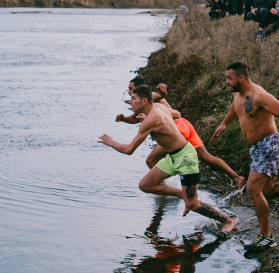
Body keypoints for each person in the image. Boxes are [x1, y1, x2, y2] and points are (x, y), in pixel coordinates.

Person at [98, 85, 238, 234]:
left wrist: (111, 142)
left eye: (133, 98)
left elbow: (129, 150)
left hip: (185, 158)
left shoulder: (149, 121)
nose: (129, 102)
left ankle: (227, 220)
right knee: (145, 185)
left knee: (193, 205)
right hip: (173, 156)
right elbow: (177, 113)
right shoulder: (158, 107)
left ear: (144, 101)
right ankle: (182, 194)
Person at [211, 62, 279, 253]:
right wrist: (224, 124)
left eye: (229, 78)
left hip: (269, 145)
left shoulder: (259, 96)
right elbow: (235, 108)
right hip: (257, 148)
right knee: (266, 191)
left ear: (241, 78)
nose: (227, 81)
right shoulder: (238, 94)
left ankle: (266, 237)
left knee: (253, 189)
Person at [116, 82, 246, 189]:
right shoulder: (146, 103)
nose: (129, 95)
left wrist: (162, 96)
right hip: (185, 124)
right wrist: (124, 119)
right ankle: (237, 177)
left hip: (177, 130)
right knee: (207, 157)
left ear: (141, 93)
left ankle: (164, 187)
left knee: (151, 160)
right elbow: (136, 118)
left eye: (131, 91)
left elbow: (171, 109)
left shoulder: (151, 99)